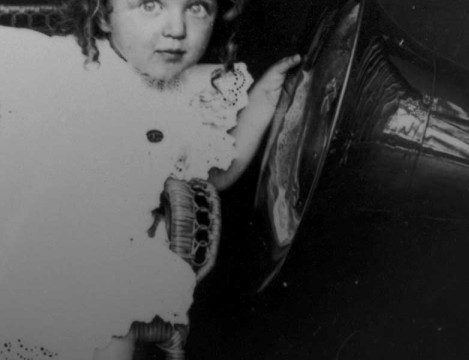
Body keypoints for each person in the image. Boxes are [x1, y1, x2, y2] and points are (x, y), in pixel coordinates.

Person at [0, 0, 301, 359]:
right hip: (28, 239)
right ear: (103, 16)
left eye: (196, 8)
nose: (175, 28)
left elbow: (217, 171)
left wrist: (265, 100)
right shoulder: (64, 62)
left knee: (110, 318)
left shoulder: (196, 90)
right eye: (149, 6)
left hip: (111, 257)